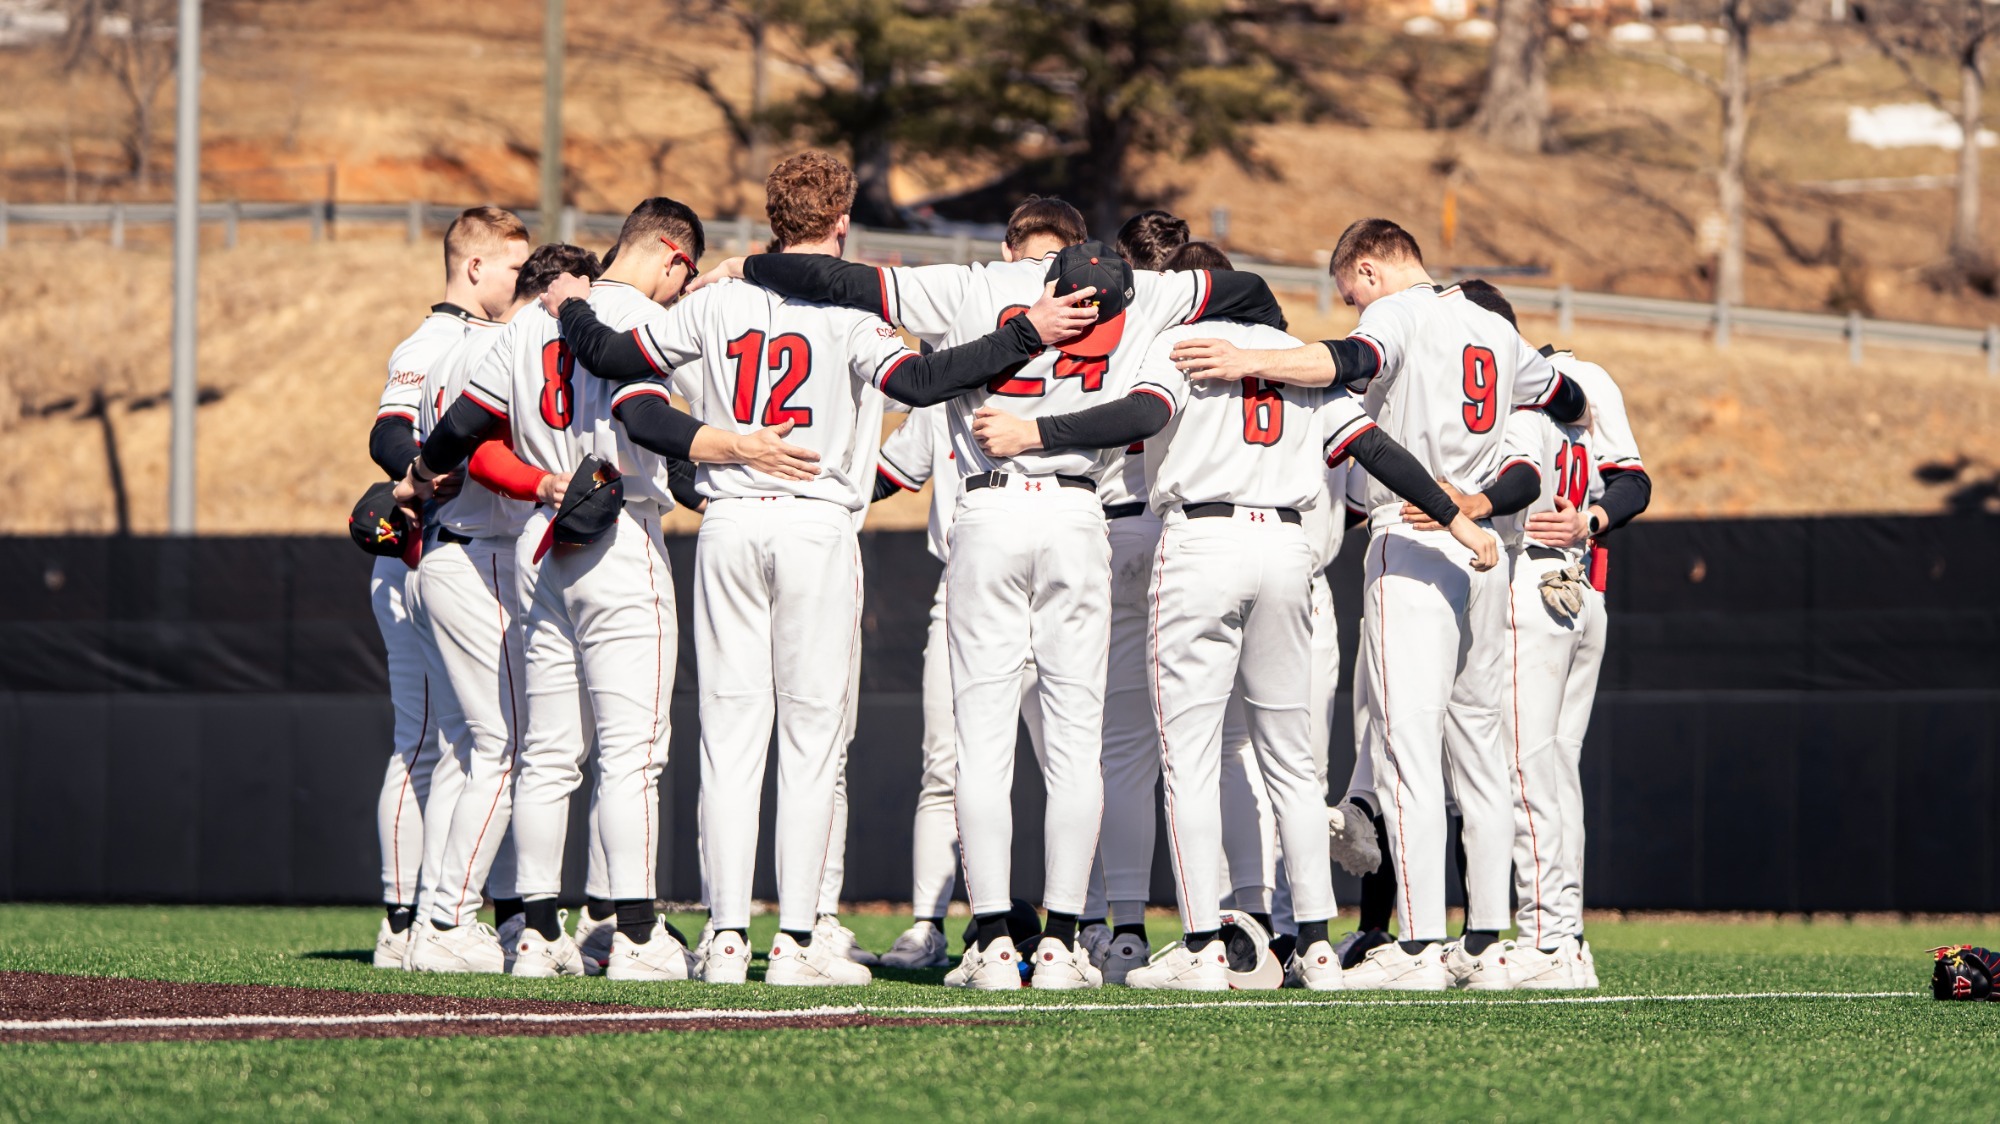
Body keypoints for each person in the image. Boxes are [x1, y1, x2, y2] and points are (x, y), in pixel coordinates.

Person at [540, 154, 1102, 986]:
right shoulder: (848, 304)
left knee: (729, 741)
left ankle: (726, 940)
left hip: (729, 522)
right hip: (814, 525)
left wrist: (572, 303)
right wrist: (1024, 333)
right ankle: (797, 943)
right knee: (810, 745)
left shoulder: (719, 300)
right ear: (841, 221)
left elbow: (612, 356)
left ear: (770, 218)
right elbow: (925, 377)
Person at [972, 238, 1495, 989]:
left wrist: (1036, 433)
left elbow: (1138, 412)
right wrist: (1459, 520)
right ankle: (1313, 945)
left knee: (1189, 756)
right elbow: (1374, 446)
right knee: (1291, 763)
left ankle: (1202, 945)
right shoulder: (1291, 352)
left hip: (1203, 544)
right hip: (1286, 549)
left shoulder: (1181, 341)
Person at [1168, 218, 1587, 991]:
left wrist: (1246, 358)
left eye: (1348, 290)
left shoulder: (1397, 311)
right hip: (1485, 547)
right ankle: (1486, 945)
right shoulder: (1490, 324)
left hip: (1413, 534)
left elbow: (1345, 361)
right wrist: (1493, 481)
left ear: (1368, 269)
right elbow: (1570, 398)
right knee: (1481, 751)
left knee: (1406, 749)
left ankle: (1423, 947)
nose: (1351, 304)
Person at [410, 199, 820, 980]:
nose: (682, 286)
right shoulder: (638, 319)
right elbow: (649, 420)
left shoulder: (536, 317)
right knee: (632, 755)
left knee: (548, 755)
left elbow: (465, 423)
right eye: (686, 272)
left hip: (541, 539)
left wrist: (426, 468)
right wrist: (735, 447)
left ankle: (533, 933)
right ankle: (633, 936)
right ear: (671, 255)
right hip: (619, 531)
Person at [402, 243, 588, 973]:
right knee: (504, 749)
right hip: (476, 556)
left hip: (449, 554)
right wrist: (544, 484)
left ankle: (440, 919)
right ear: (550, 288)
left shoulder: (465, 344)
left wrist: (413, 474)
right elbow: (475, 449)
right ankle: (448, 920)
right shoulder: (507, 343)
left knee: (477, 751)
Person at [365, 205, 528, 969]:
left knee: (462, 744)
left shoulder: (494, 339)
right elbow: (389, 432)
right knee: (431, 741)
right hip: (419, 555)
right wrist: (415, 470)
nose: (518, 281)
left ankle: (438, 913)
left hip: (447, 548)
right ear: (472, 267)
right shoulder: (431, 342)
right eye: (510, 268)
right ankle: (407, 921)